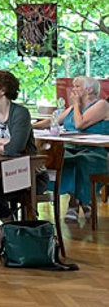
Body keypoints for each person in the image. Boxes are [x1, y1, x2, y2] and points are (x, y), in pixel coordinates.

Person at [0, 69, 40, 248]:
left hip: (25, 171)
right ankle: (5, 231)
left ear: (3, 89)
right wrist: (2, 141)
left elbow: (16, 148)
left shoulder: (21, 113)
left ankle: (11, 229)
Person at [51, 76, 109, 223]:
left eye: (77, 87)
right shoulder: (73, 108)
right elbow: (54, 121)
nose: (73, 90)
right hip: (72, 148)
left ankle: (75, 203)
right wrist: (30, 126)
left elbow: (79, 124)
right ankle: (81, 202)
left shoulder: (101, 105)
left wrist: (76, 105)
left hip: (95, 152)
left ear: (89, 90)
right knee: (63, 160)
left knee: (80, 162)